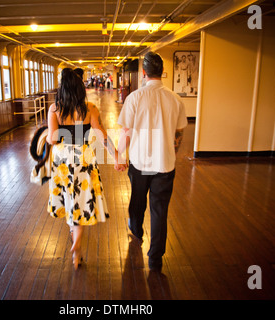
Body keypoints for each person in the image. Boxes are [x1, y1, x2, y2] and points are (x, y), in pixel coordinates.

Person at [46, 68, 127, 270]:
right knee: (80, 200)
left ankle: (76, 245)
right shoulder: (90, 108)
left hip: (62, 159)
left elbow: (53, 138)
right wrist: (117, 157)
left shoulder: (54, 109)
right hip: (83, 157)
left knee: (68, 197)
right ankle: (77, 244)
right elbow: (102, 137)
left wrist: (48, 136)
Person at [117, 51, 187, 271]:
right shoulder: (175, 99)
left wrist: (120, 156)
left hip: (140, 164)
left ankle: (136, 231)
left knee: (138, 201)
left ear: (144, 72)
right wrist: (170, 154)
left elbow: (126, 131)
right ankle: (155, 258)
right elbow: (179, 133)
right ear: (162, 72)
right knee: (160, 210)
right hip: (165, 165)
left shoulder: (134, 98)